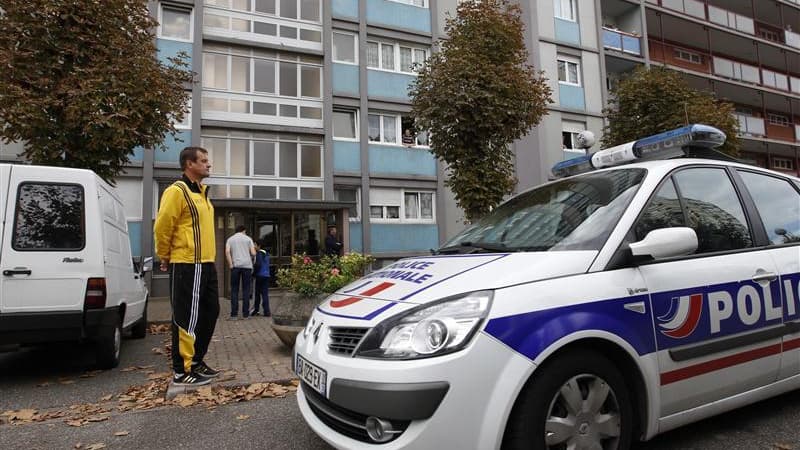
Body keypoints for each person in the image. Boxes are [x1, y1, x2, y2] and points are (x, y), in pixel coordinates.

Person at [154, 146, 220, 386]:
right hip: (186, 263)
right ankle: (181, 371)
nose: (208, 164)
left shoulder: (202, 193)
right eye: (203, 160)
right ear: (189, 164)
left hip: (206, 264)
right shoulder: (177, 191)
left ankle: (196, 361)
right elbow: (163, 225)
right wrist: (164, 255)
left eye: (207, 160)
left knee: (211, 312)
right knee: (187, 318)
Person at [225, 225, 255, 319]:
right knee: (246, 290)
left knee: (234, 290)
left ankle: (234, 314)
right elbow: (253, 253)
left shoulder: (230, 239)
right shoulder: (248, 239)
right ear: (243, 230)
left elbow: (227, 252)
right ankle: (246, 314)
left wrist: (230, 264)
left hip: (235, 266)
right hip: (247, 266)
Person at [250, 239, 271, 317]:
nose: (254, 246)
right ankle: (267, 311)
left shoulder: (259, 254)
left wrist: (254, 274)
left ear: (259, 246)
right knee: (265, 294)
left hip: (259, 276)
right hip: (266, 276)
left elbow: (258, 265)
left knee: (257, 294)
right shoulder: (267, 254)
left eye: (255, 244)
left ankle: (256, 310)